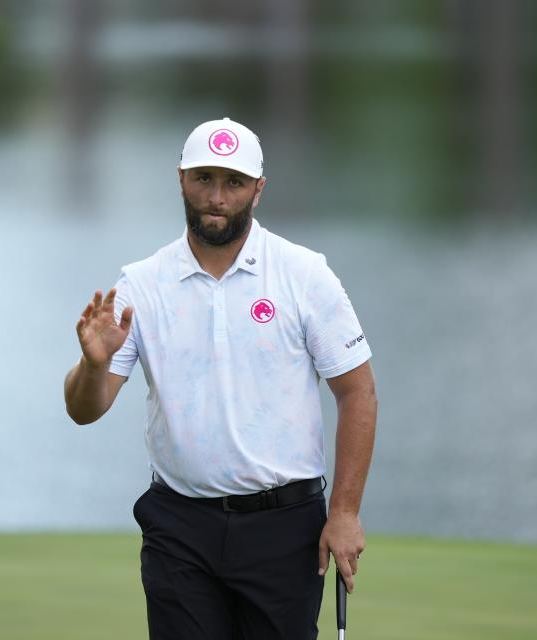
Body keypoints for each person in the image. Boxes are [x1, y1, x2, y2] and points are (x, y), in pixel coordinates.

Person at [63, 117, 377, 640]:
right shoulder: (141, 284)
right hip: (179, 527)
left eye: (233, 182)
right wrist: (94, 366)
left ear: (258, 190)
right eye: (203, 179)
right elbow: (83, 410)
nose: (216, 196)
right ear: (181, 179)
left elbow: (357, 393)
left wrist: (344, 511)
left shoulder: (303, 274)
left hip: (285, 526)